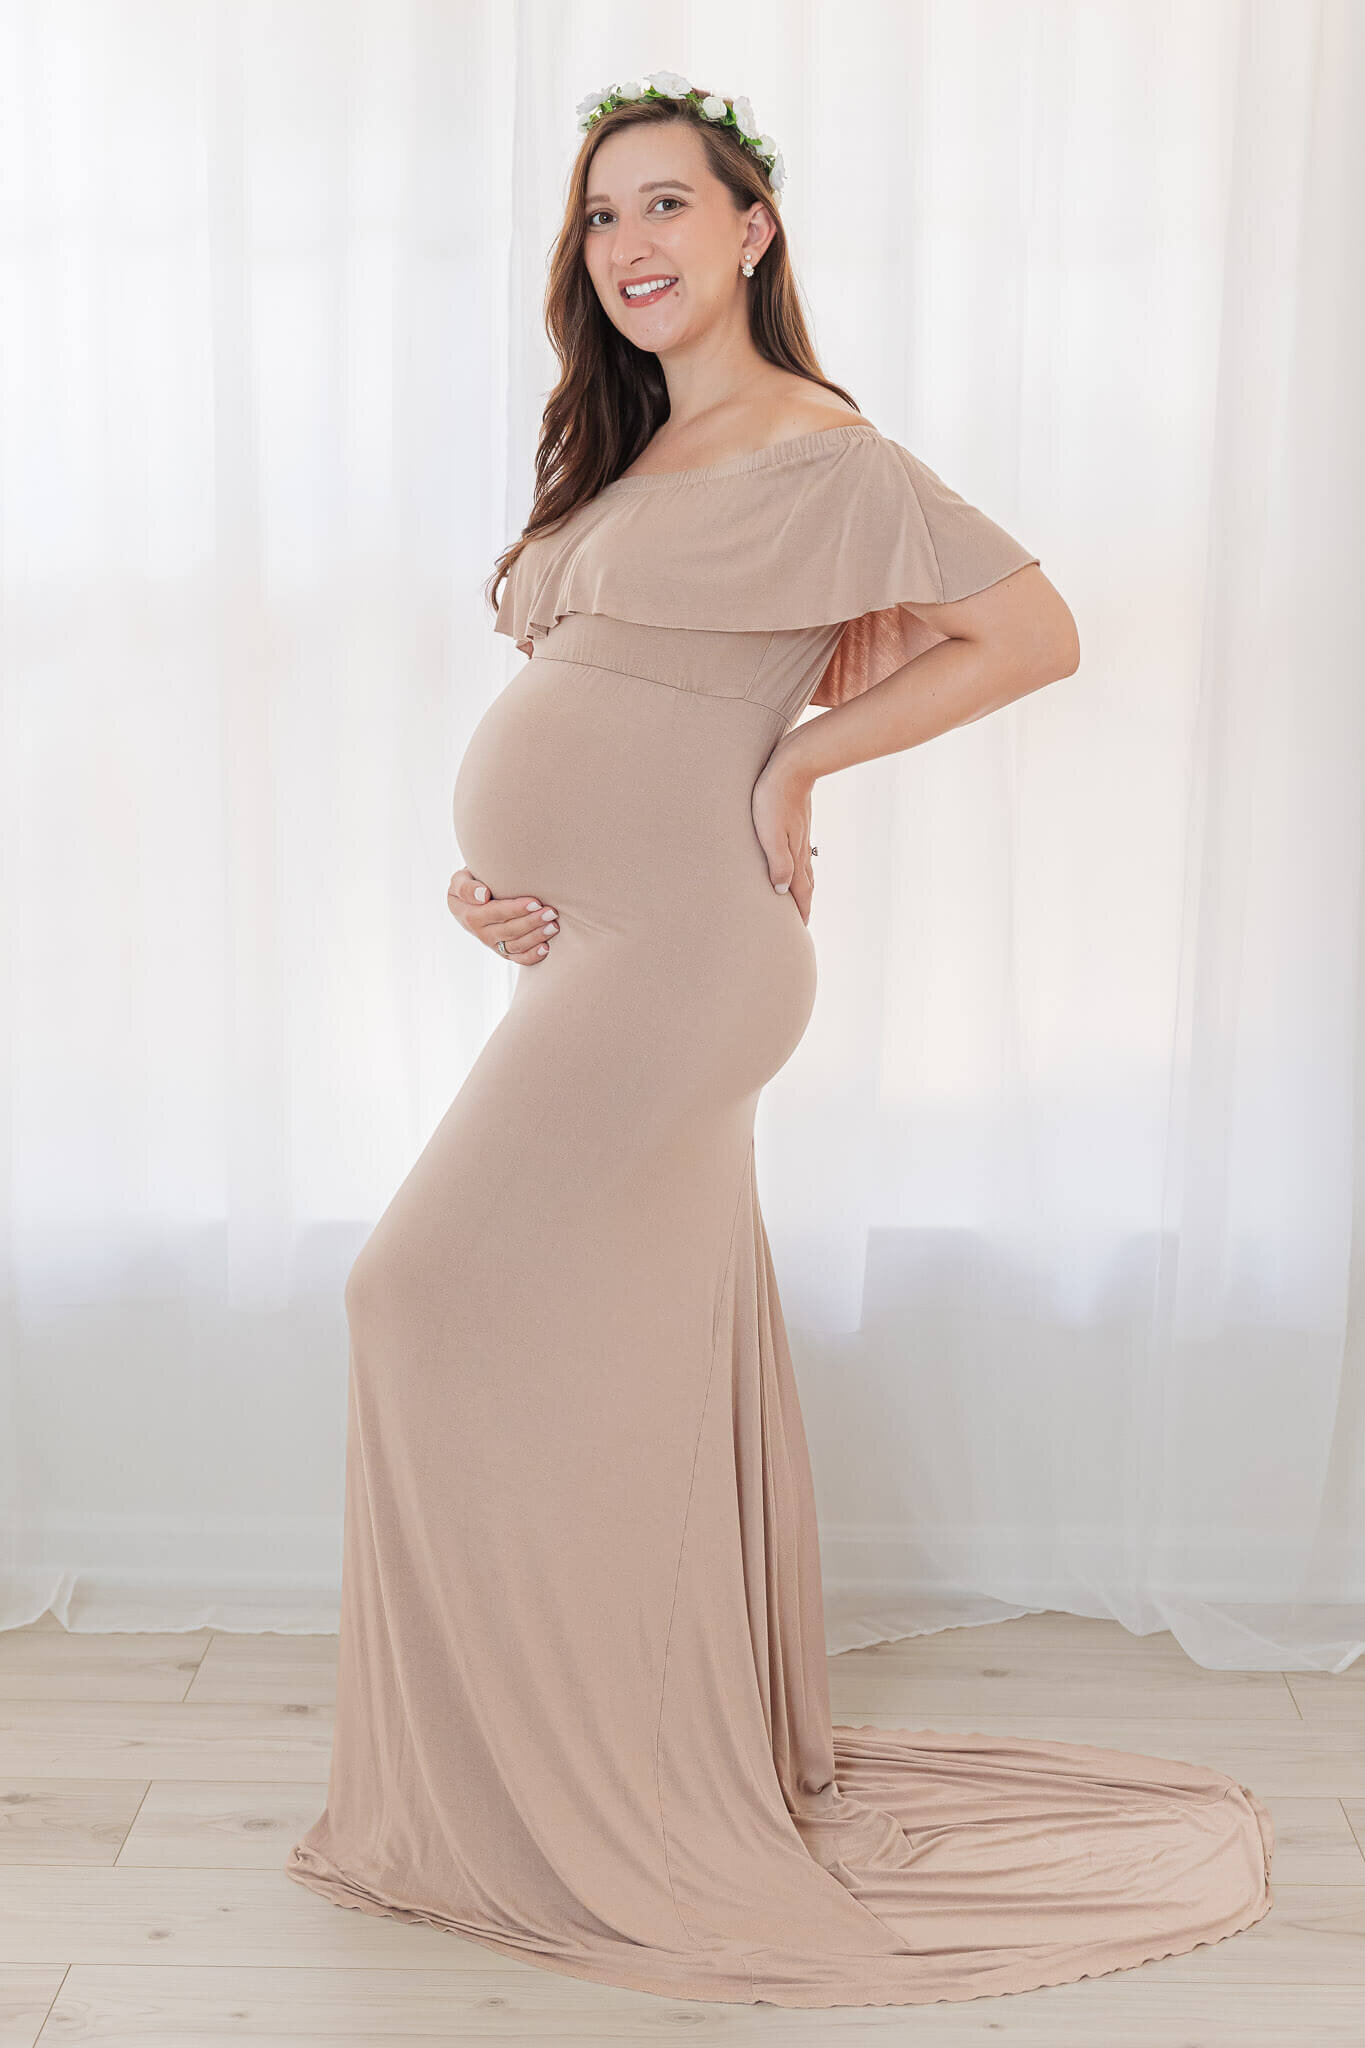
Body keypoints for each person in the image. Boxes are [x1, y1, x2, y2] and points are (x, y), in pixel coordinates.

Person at [285, 74, 1273, 2009]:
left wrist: (806, 757)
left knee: (415, 1292)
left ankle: (572, 1789)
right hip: (595, 955)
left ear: (753, 232)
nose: (631, 247)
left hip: (693, 961)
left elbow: (1033, 631)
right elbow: (590, 713)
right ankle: (553, 1767)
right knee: (615, 1366)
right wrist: (493, 889)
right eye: (598, 220)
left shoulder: (820, 452)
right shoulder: (629, 457)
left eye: (667, 206)